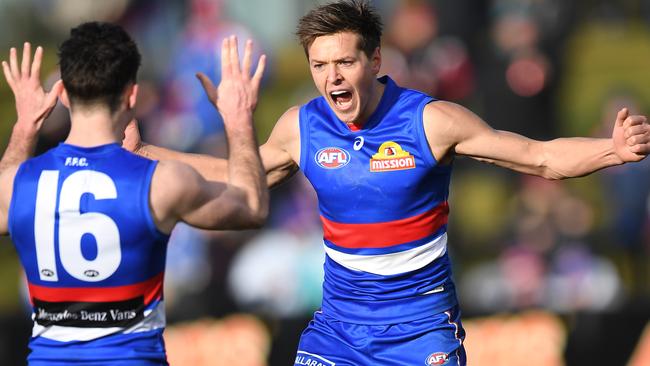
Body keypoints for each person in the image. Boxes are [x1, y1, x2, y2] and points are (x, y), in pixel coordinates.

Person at [39, 2, 650, 366]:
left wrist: (612, 150)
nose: (331, 77)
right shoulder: (302, 125)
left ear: (376, 61)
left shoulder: (431, 121)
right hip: (336, 334)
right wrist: (148, 150)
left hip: (421, 334)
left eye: (345, 62)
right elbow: (240, 176)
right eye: (319, 66)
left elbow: (540, 158)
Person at [0, 22, 268, 365]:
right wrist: (238, 118)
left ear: (63, 94)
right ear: (132, 96)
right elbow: (252, 207)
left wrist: (25, 126)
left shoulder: (17, 184)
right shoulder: (163, 182)